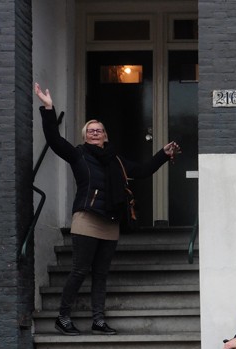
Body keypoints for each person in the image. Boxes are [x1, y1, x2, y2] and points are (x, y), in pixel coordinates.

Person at [34, 82, 180, 335]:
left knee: (100, 274)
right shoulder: (78, 154)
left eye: (99, 130)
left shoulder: (116, 160)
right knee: (80, 270)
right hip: (87, 218)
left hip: (110, 221)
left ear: (105, 135)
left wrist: (163, 154)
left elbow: (143, 171)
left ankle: (98, 320)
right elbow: (54, 140)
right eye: (90, 130)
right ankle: (63, 317)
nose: (95, 133)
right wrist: (48, 108)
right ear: (84, 135)